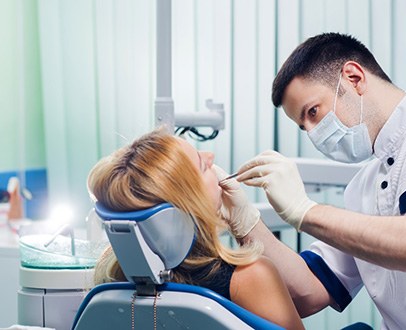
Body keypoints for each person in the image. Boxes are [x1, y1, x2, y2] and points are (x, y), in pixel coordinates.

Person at [215, 32, 406, 329]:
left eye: (313, 112)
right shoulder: (362, 189)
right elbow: (308, 292)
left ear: (354, 78)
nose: (312, 133)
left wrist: (306, 212)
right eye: (303, 126)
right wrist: (245, 222)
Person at [88, 129, 304, 330]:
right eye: (203, 166)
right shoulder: (250, 277)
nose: (210, 156)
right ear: (191, 203)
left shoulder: (110, 281)